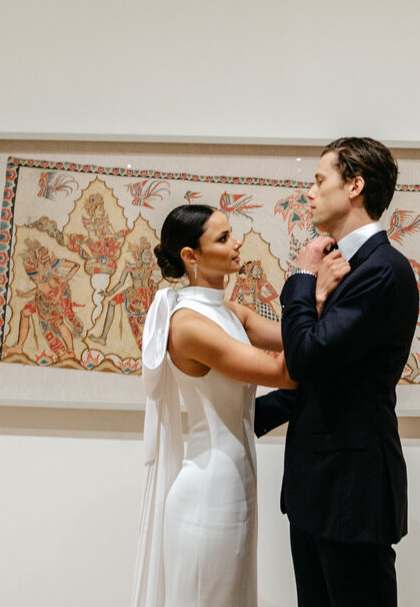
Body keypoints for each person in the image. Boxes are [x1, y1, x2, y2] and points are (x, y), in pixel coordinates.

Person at [132, 204, 345, 607]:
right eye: (223, 238)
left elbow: (299, 339)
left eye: (233, 233)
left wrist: (321, 300)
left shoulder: (230, 311)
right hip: (207, 492)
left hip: (236, 482)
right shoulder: (189, 325)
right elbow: (287, 371)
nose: (237, 243)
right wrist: (308, 283)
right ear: (190, 257)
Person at [255, 137, 420, 607]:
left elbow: (307, 357)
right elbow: (322, 378)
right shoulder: (345, 264)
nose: (309, 191)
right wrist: (237, 421)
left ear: (355, 186)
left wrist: (304, 280)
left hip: (352, 492)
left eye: (319, 179)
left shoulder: (383, 270)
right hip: (318, 488)